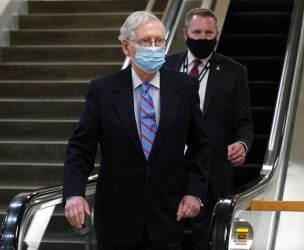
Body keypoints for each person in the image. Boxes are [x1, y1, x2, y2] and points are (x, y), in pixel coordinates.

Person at [63, 11, 210, 250]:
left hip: (168, 217)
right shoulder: (102, 91)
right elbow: (80, 149)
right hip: (115, 220)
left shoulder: (184, 88)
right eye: (145, 41)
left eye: (159, 40)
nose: (154, 47)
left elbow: (200, 146)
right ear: (126, 47)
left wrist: (194, 192)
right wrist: (74, 194)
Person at [164, 8, 253, 250]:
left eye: (208, 33)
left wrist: (242, 144)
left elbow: (243, 122)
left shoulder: (235, 72)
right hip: (166, 172)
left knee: (208, 241)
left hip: (211, 173)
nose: (203, 37)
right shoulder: (164, 67)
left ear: (217, 33)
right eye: (197, 32)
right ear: (185, 33)